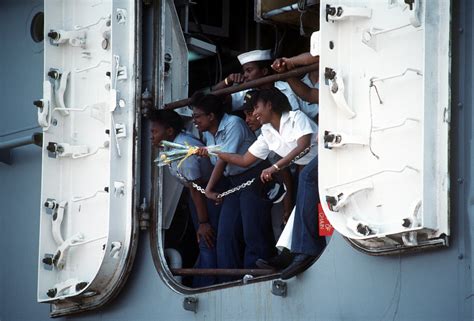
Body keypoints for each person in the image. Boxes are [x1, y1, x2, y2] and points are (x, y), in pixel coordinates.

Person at [212, 88, 326, 280]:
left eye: (256, 107)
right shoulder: (266, 133)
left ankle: (306, 250)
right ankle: (290, 253)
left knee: (305, 178)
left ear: (269, 105)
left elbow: (304, 145)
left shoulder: (295, 117)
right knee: (303, 203)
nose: (254, 113)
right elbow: (243, 160)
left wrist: (274, 167)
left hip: (329, 157)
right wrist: (212, 152)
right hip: (314, 170)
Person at [191, 93, 275, 279]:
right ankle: (229, 279)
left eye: (197, 116)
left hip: (254, 177)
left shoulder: (234, 124)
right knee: (225, 235)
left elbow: (223, 159)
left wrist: (209, 190)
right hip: (234, 182)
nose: (194, 121)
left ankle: (256, 273)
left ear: (211, 116)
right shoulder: (207, 134)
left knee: (252, 229)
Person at [150, 109, 220, 287]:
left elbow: (196, 188)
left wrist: (203, 222)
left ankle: (208, 285)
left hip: (207, 196)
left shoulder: (184, 150)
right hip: (196, 195)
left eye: (155, 132)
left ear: (170, 132)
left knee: (207, 239)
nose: (151, 136)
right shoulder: (173, 145)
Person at [214, 49, 301, 112]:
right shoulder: (248, 92)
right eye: (244, 72)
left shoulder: (287, 89)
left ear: (264, 71)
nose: (245, 75)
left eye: (249, 70)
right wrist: (228, 80)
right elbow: (213, 98)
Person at [272, 53, 320, 122]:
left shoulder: (335, 78)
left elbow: (320, 56)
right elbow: (308, 94)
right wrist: (285, 69)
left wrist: (289, 62)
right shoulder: (300, 84)